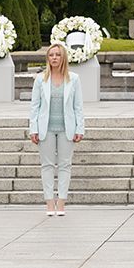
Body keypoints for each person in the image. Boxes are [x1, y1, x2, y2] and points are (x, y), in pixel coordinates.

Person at [29, 43, 85, 216]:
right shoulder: (40, 79)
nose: (54, 58)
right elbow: (35, 106)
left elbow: (78, 106)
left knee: (64, 165)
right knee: (46, 165)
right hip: (45, 128)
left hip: (66, 128)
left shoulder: (74, 79)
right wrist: (33, 129)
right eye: (51, 55)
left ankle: (61, 203)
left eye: (57, 55)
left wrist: (79, 128)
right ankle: (49, 203)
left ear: (63, 58)